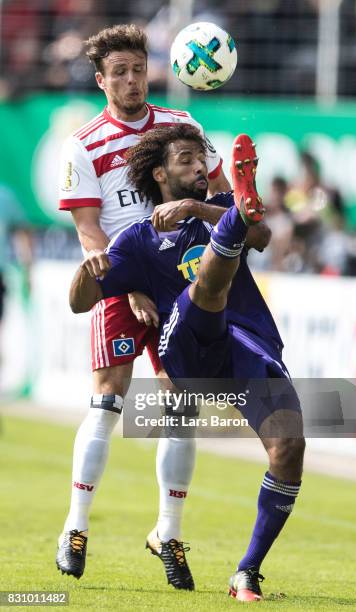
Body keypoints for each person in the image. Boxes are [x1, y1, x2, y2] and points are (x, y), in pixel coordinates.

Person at [69, 123, 305, 602]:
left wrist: (201, 207)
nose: (199, 167)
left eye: (203, 160)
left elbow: (259, 235)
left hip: (243, 344)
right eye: (185, 161)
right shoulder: (136, 240)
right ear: (159, 173)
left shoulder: (215, 209)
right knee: (204, 289)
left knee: (289, 447)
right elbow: (80, 302)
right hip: (186, 349)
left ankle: (247, 572)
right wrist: (86, 268)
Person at [56, 23, 230, 589]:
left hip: (180, 283)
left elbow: (221, 199)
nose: (132, 81)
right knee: (109, 403)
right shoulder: (84, 143)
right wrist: (128, 279)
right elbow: (89, 232)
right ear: (102, 80)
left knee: (182, 411)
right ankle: (75, 526)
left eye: (139, 69)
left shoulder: (184, 129)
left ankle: (168, 534)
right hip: (120, 278)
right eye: (120, 72)